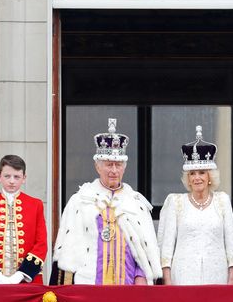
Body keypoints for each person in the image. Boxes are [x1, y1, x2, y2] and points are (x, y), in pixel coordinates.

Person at [54, 119, 161, 285]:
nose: (113, 170)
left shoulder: (136, 203)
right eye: (108, 165)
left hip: (128, 285)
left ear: (124, 168)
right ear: (98, 167)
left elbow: (145, 247)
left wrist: (141, 277)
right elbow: (68, 248)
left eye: (118, 165)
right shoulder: (80, 201)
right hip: (88, 283)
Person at [158, 127, 233, 285]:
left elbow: (231, 241)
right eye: (192, 174)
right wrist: (167, 282)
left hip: (216, 274)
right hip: (183, 276)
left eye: (201, 172)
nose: (197, 178)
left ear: (210, 176)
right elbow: (167, 246)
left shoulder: (222, 201)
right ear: (187, 178)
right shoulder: (176, 202)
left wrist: (232, 277)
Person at [0, 155, 47, 285]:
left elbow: (41, 244)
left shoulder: (35, 205)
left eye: (17, 177)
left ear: (24, 178)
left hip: (28, 281)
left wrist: (21, 274)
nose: (12, 181)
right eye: (7, 176)